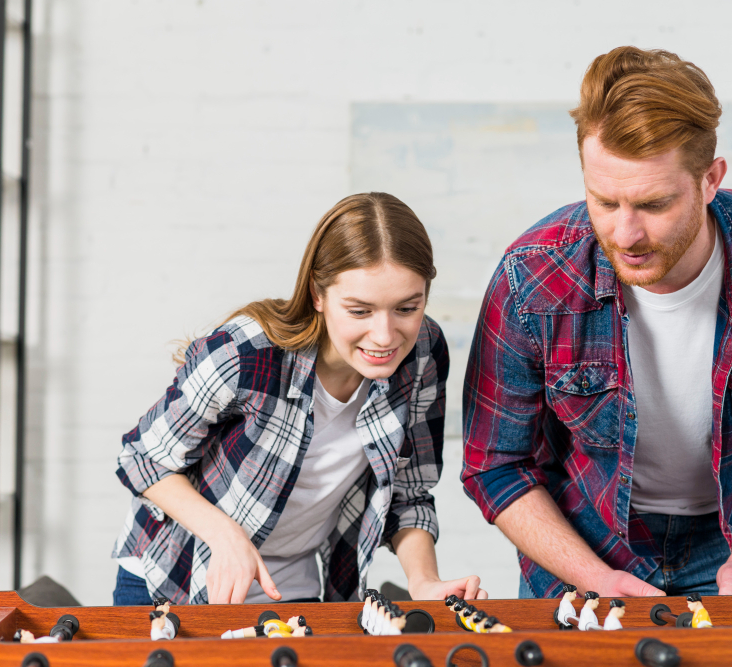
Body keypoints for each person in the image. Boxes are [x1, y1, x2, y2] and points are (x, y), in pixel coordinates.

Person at [462, 46, 732, 600]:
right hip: (586, 548)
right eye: (603, 201)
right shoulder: (530, 278)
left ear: (710, 179)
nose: (625, 234)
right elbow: (496, 465)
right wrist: (595, 578)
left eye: (653, 205)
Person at [112, 192, 488, 605]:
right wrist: (227, 535)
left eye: (406, 308)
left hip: (293, 587)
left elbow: (409, 491)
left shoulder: (422, 353)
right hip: (174, 575)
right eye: (360, 311)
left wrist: (424, 582)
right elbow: (143, 458)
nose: (384, 335)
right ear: (318, 295)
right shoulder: (245, 353)